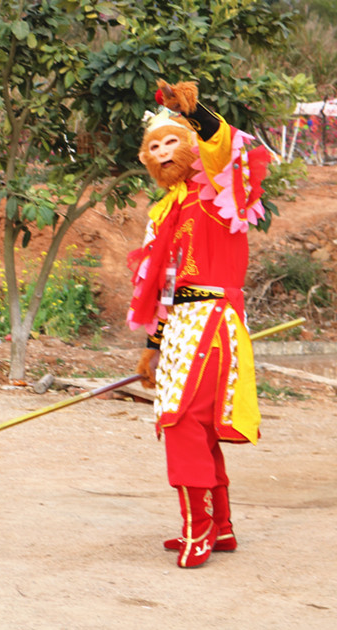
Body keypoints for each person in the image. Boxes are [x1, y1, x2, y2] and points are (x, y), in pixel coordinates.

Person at [126, 80, 271, 568]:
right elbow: (162, 286)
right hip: (180, 326)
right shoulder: (163, 210)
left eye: (172, 141)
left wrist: (196, 113)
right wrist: (153, 345)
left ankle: (198, 531)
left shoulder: (219, 189)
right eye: (154, 147)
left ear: (190, 144)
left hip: (212, 319)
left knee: (183, 422)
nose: (163, 152)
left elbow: (223, 147)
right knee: (198, 428)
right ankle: (221, 527)